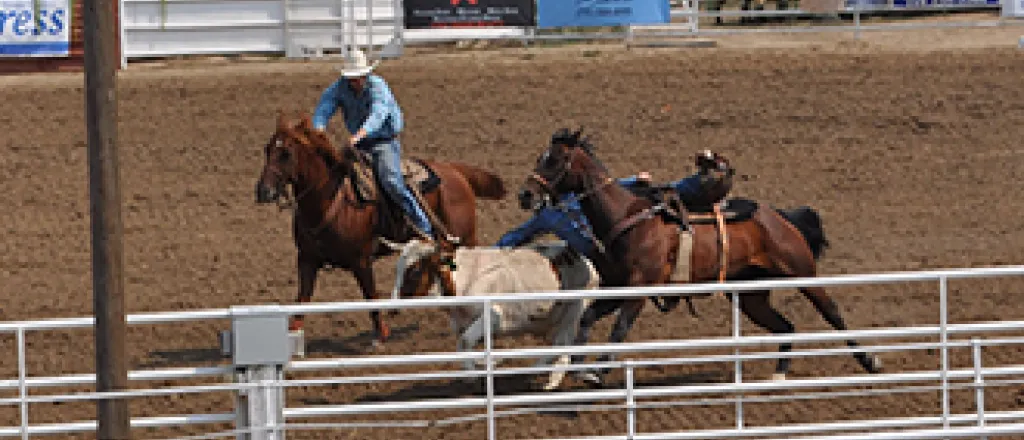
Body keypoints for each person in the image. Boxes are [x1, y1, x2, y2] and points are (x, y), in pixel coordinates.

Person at [311, 48, 447, 242]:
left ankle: (422, 225)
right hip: (359, 143)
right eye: (352, 77)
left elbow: (378, 114)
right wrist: (318, 129)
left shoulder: (378, 87)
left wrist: (359, 135)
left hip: (383, 141)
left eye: (358, 76)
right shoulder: (338, 88)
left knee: (391, 181)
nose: (355, 81)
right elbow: (324, 108)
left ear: (366, 74)